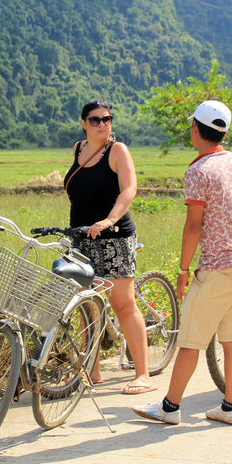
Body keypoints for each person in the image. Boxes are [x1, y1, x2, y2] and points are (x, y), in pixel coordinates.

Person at [133, 100, 232, 425]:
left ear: (195, 129)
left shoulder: (198, 171)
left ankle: (170, 408)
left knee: (190, 339)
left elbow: (193, 226)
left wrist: (184, 269)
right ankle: (229, 408)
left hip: (218, 269)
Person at [63, 99, 155, 395]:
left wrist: (109, 219)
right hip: (81, 238)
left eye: (107, 119)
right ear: (83, 123)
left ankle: (142, 374)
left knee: (123, 305)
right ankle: (91, 369)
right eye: (94, 120)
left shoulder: (117, 151)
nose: (102, 124)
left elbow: (129, 188)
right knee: (85, 305)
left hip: (113, 236)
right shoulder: (79, 149)